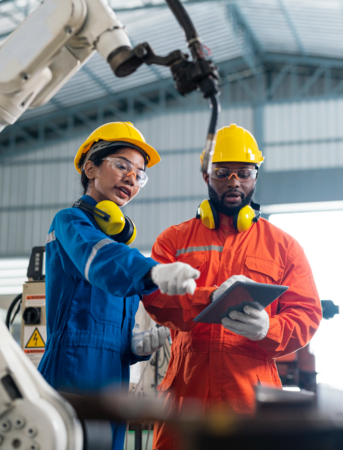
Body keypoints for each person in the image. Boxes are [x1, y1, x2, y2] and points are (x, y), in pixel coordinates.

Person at [142, 124, 323, 450]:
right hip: (188, 394)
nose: (234, 181)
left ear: (256, 177)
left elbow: (307, 313)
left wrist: (270, 328)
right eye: (223, 173)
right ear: (206, 177)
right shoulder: (174, 241)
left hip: (251, 398)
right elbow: (154, 298)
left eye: (243, 172)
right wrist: (207, 299)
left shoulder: (283, 246)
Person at [38, 122, 200, 450]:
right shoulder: (70, 223)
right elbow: (99, 262)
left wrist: (131, 347)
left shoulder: (118, 247)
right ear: (90, 168)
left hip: (114, 373)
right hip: (72, 368)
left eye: (139, 174)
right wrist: (154, 271)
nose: (131, 178)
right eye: (122, 165)